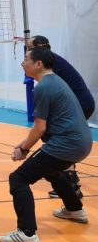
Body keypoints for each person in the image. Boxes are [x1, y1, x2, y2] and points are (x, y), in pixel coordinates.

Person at [0, 46, 91, 242]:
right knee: (52, 171)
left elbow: (40, 127)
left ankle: (26, 233)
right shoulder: (56, 81)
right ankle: (75, 210)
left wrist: (24, 149)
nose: (22, 63)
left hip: (67, 144)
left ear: (38, 64)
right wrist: (24, 144)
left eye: (26, 59)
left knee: (18, 178)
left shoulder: (43, 87)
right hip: (83, 143)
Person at [30, 35, 95, 199]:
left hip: (81, 103)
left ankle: (71, 185)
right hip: (81, 102)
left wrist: (24, 147)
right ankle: (70, 183)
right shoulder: (51, 62)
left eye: (30, 47)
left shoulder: (50, 64)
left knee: (57, 139)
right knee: (58, 140)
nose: (28, 50)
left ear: (40, 48)